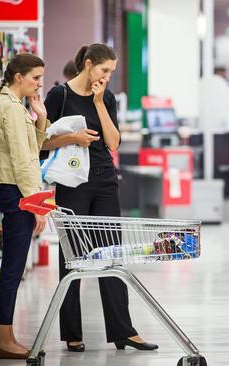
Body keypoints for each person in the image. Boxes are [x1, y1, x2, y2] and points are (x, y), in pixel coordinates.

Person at [42, 43, 158, 352]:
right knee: (72, 258)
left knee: (112, 256)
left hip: (105, 179)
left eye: (111, 72)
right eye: (105, 70)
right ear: (89, 64)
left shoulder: (105, 97)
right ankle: (72, 333)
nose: (107, 76)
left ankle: (123, 331)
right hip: (72, 182)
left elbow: (114, 142)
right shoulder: (59, 95)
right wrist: (73, 138)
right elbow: (41, 141)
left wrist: (100, 104)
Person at [0, 53, 49, 359]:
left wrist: (40, 117)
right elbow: (22, 161)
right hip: (16, 192)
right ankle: (3, 339)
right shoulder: (9, 107)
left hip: (17, 190)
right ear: (18, 77)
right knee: (13, 266)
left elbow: (33, 149)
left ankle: (7, 335)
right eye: (36, 78)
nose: (39, 84)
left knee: (15, 265)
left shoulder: (15, 105)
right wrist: (36, 203)